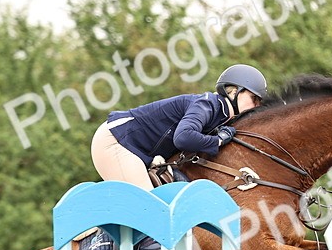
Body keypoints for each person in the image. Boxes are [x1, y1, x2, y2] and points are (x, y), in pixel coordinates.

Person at [91, 64, 268, 189]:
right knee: (149, 208)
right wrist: (218, 141)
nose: (257, 106)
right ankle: (97, 234)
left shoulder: (221, 114)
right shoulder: (208, 104)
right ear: (234, 91)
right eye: (254, 99)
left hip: (135, 149)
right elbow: (183, 137)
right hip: (116, 141)